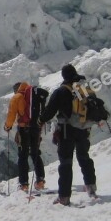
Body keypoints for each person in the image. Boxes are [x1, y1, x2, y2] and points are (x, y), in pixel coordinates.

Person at [39, 64, 98, 206]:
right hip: (83, 129)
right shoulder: (83, 88)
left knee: (65, 163)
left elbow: (49, 113)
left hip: (66, 130)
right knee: (84, 157)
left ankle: (64, 197)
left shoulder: (61, 91)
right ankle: (91, 189)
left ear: (64, 76)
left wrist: (40, 120)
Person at [4, 82, 46, 192]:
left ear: (16, 89)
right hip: (36, 128)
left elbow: (11, 114)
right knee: (35, 153)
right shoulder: (35, 95)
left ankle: (24, 184)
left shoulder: (17, 97)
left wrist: (8, 126)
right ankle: (40, 181)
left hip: (24, 129)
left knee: (23, 155)